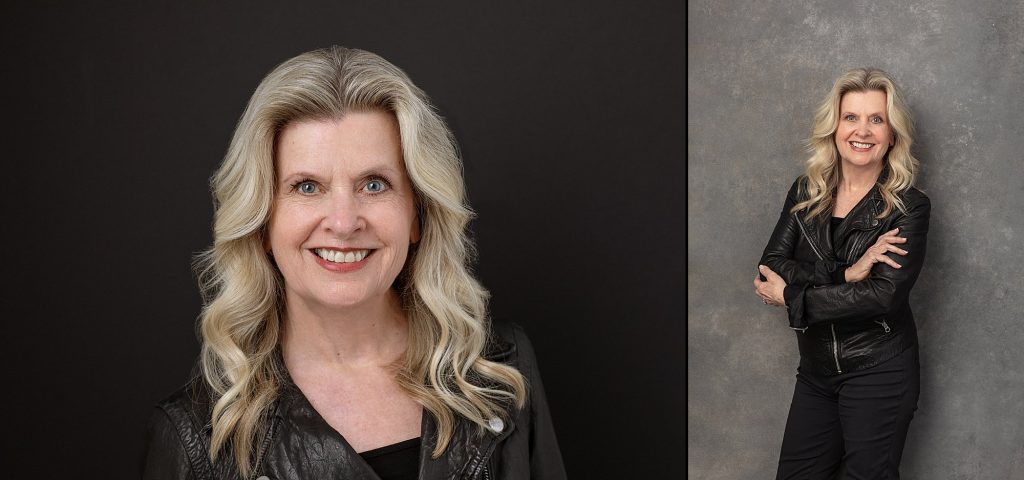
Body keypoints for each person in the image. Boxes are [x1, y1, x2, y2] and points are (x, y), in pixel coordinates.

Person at [142, 46, 566, 480]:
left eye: (375, 184)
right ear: (263, 221)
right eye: (307, 186)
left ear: (416, 215)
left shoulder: (499, 374)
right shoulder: (196, 437)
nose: (344, 223)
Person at [752, 67, 930, 479]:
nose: (862, 131)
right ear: (834, 127)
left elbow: (881, 296)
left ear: (892, 134)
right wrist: (846, 274)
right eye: (851, 117)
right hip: (816, 370)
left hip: (879, 369)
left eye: (876, 119)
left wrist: (795, 297)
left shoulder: (909, 207)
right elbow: (770, 265)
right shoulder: (806, 191)